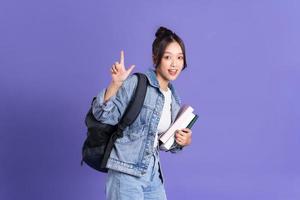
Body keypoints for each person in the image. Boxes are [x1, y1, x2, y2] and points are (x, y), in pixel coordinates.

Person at [92, 26, 192, 200]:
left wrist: (183, 141)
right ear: (156, 58)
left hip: (152, 173)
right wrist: (115, 85)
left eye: (179, 57)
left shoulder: (173, 98)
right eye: (168, 57)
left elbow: (162, 142)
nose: (174, 64)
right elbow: (103, 115)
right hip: (126, 172)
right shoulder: (137, 83)